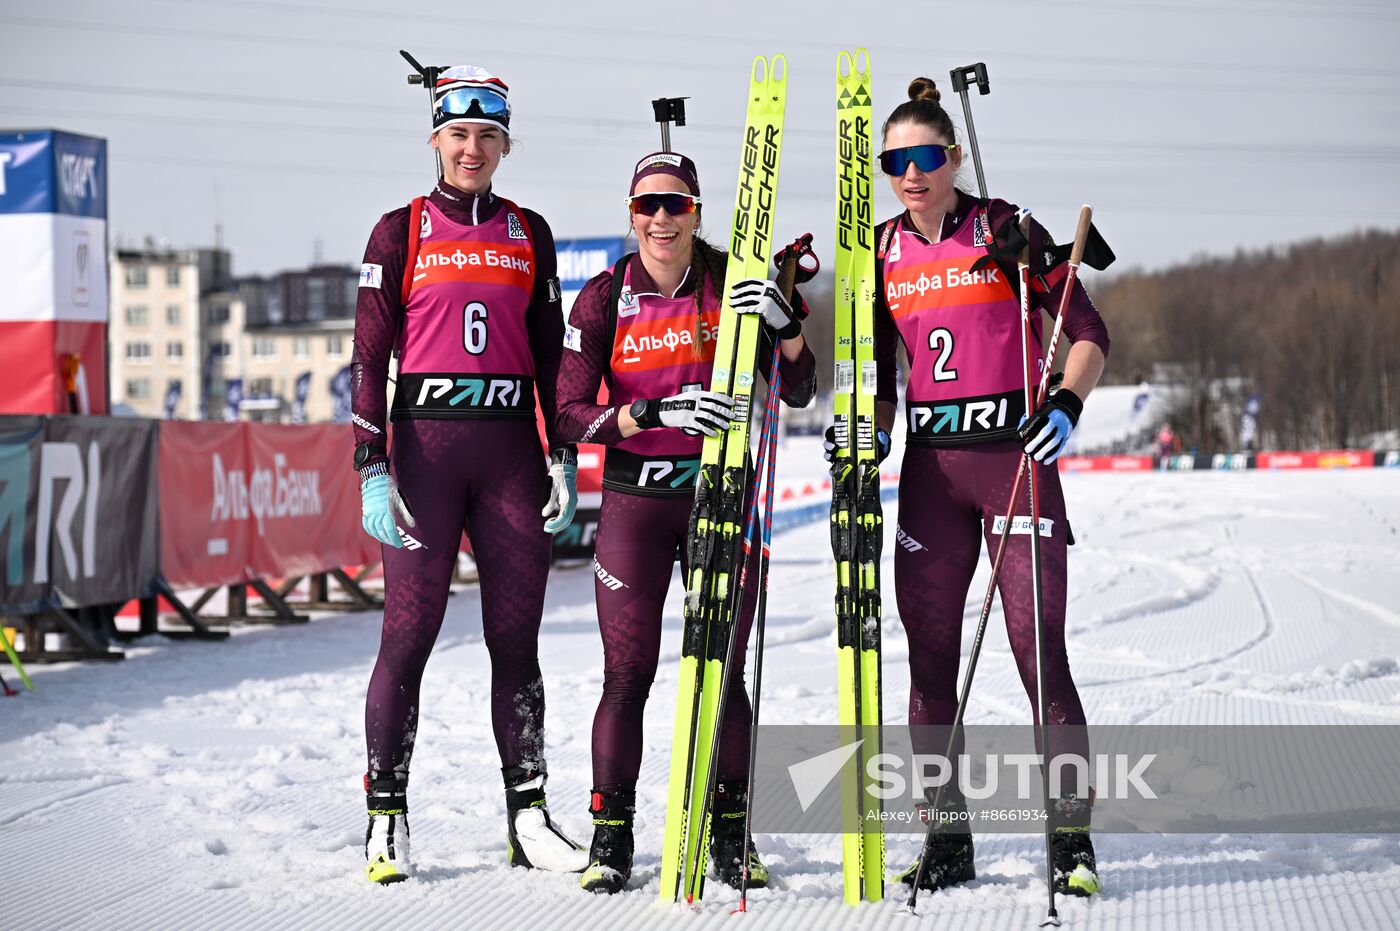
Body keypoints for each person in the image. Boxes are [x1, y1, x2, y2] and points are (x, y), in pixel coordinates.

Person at [835, 77, 1110, 898]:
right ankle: (945, 837)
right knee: (928, 663)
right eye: (894, 160)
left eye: (925, 157)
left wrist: (1064, 401)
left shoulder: (1002, 228)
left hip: (1016, 459)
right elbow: (883, 373)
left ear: (953, 158)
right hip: (932, 470)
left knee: (1038, 653)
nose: (910, 173)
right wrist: (874, 430)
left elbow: (1088, 334)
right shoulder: (879, 249)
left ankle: (1070, 844)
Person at [554, 151, 816, 894]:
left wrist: (783, 319)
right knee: (627, 673)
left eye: (675, 205)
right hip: (636, 503)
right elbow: (572, 413)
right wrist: (650, 412)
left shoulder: (731, 280)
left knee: (722, 671)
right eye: (647, 206)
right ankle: (612, 836)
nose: (661, 219)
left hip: (721, 497)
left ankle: (730, 835)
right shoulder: (605, 297)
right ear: (630, 213)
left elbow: (801, 386)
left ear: (696, 210)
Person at [351, 64, 587, 884]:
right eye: (458, 135)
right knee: (408, 637)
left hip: (510, 457)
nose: (471, 149)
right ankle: (386, 817)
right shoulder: (400, 229)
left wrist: (563, 448)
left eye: (487, 137)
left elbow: (555, 354)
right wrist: (369, 461)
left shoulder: (531, 229)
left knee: (516, 642)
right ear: (435, 141)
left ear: (505, 145)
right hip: (424, 450)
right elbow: (369, 353)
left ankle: (529, 816)